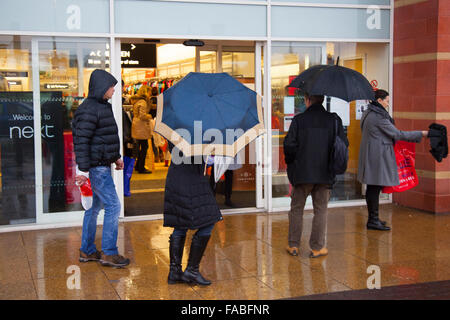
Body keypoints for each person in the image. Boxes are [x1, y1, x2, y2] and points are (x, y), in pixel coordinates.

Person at [72, 69, 130, 268]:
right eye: (111, 86)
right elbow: (82, 141)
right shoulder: (89, 109)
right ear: (101, 87)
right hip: (97, 168)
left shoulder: (101, 106)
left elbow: (105, 137)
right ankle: (109, 253)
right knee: (113, 206)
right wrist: (83, 170)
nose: (114, 90)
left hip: (101, 165)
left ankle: (87, 251)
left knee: (95, 208)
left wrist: (116, 158)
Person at [283, 93, 348, 258]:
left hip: (302, 173)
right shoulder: (334, 120)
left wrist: (293, 163)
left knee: (296, 209)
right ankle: (317, 247)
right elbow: (343, 144)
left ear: (307, 100)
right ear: (322, 100)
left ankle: (293, 246)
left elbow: (289, 146)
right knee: (321, 210)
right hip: (325, 173)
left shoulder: (299, 120)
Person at [357, 89, 428, 231]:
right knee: (374, 187)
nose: (388, 104)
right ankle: (373, 220)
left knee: (373, 187)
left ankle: (374, 219)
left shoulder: (369, 113)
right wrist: (422, 133)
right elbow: (397, 134)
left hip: (372, 154)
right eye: (387, 101)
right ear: (379, 101)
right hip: (376, 156)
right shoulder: (378, 117)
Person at [164, 145, 223, 286]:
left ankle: (175, 271)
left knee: (180, 223)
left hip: (178, 178)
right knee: (209, 219)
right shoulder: (192, 130)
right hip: (190, 181)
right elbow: (191, 154)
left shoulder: (177, 126)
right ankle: (191, 270)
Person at [131, 85, 153, 174]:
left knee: (140, 147)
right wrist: (150, 116)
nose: (150, 94)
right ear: (146, 92)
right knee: (144, 147)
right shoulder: (143, 102)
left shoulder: (137, 101)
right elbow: (142, 115)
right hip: (141, 127)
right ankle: (141, 167)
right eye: (149, 92)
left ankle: (138, 166)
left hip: (137, 125)